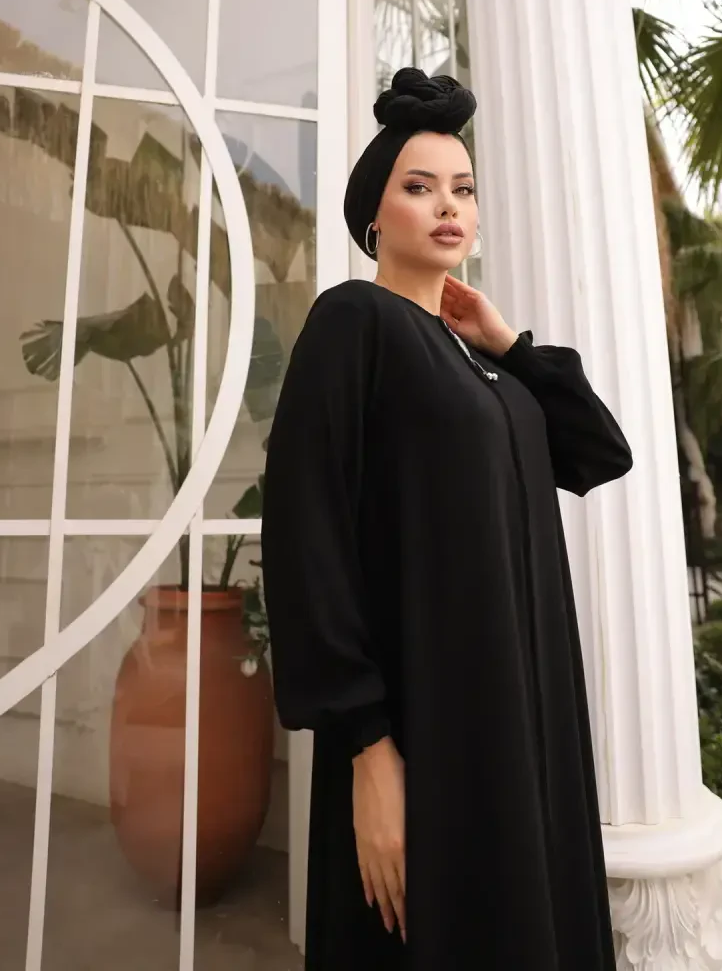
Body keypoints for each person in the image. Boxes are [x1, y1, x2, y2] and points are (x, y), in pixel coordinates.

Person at [261, 68, 632, 971]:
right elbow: (306, 534)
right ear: (374, 216)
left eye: (462, 189)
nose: (447, 207)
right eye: (419, 187)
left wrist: (507, 343)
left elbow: (598, 452)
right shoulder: (354, 321)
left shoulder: (488, 367)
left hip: (521, 720)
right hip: (426, 726)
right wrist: (369, 751)